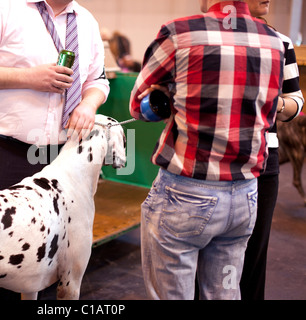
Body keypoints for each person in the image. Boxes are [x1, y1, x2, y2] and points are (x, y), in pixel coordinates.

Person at [0, 0, 109, 299]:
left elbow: (97, 79)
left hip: (61, 161)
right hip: (5, 155)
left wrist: (89, 104)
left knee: (51, 263)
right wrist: (28, 77)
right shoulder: (0, 6)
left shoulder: (86, 21)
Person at [130, 0, 284, 300]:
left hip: (186, 195)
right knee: (224, 292)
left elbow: (138, 106)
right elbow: (271, 111)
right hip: (244, 195)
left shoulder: (180, 34)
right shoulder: (274, 41)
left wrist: (170, 95)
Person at [240, 0, 304, 300]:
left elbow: (295, 101)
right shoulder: (205, 36)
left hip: (264, 159)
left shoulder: (282, 42)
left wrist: (274, 102)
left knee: (254, 257)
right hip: (211, 161)